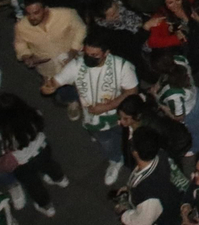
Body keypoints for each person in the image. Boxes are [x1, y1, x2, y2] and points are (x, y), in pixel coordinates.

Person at [41, 41, 137, 187]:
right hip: (93, 118)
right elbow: (56, 82)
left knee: (126, 137)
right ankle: (115, 160)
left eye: (94, 55)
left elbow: (132, 91)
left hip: (119, 115)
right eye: (87, 53)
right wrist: (50, 87)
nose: (89, 57)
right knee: (106, 142)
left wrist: (107, 106)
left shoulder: (122, 66)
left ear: (106, 53)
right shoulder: (77, 65)